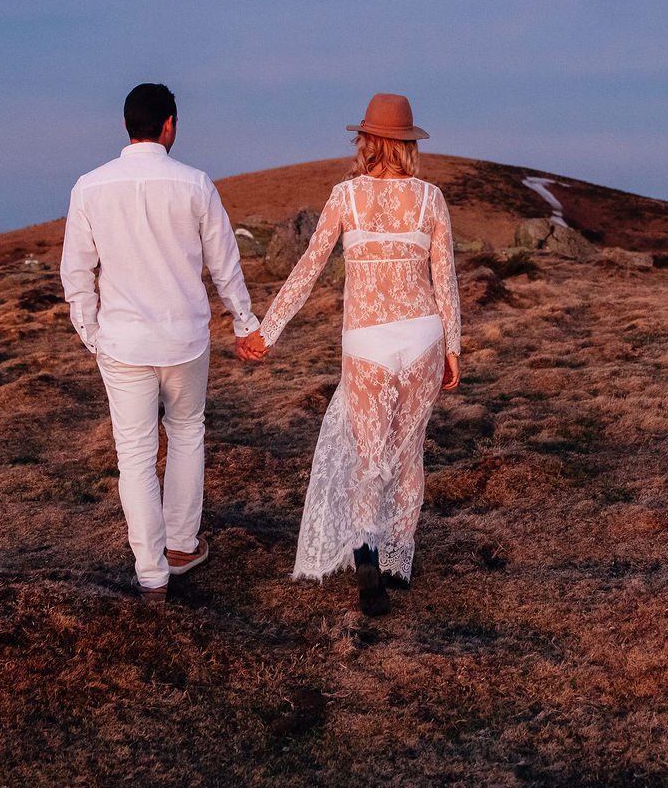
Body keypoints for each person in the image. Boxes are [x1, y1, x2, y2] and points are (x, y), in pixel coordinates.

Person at [238, 93, 460, 615]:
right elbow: (444, 281)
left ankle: (366, 550)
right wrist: (454, 347)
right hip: (424, 336)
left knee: (369, 455)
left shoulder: (345, 196)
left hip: (366, 343)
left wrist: (266, 334)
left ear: (365, 140)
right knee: (409, 452)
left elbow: (308, 270)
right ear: (408, 144)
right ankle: (398, 565)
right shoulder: (431, 199)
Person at [60, 83, 261, 604]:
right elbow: (224, 264)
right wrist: (245, 323)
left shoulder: (89, 186)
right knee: (188, 433)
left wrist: (93, 336)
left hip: (122, 344)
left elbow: (76, 273)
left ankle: (151, 574)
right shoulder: (196, 185)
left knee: (135, 456)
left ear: (126, 126)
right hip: (186, 339)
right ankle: (181, 546)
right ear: (169, 124)